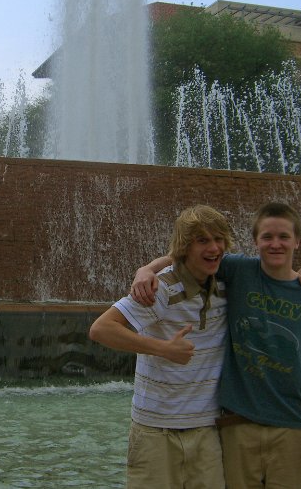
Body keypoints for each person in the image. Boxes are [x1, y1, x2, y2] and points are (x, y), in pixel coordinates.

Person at [131, 201, 301, 488]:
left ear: (297, 241)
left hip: (292, 424)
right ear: (255, 242)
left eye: (284, 237)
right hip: (237, 425)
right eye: (267, 237)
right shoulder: (239, 269)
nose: (275, 244)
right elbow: (186, 254)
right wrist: (146, 269)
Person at [90, 204, 232, 488]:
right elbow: (101, 329)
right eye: (202, 240)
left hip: (206, 429)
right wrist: (162, 348)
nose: (214, 247)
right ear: (185, 246)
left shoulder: (228, 280)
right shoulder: (161, 287)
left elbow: (273, 266)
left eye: (219, 239)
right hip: (156, 430)